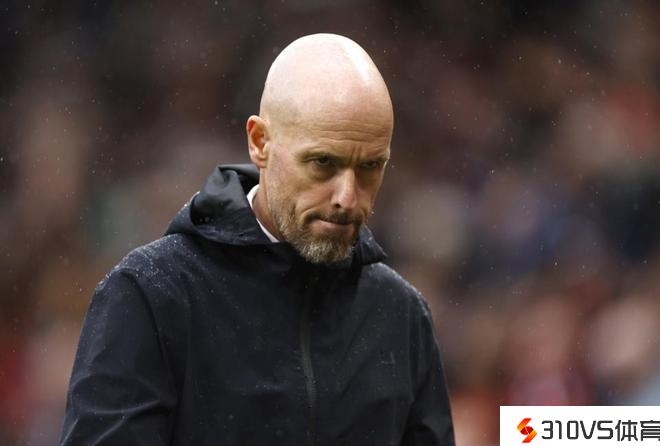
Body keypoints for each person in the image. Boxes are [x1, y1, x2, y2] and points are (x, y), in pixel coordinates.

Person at [60, 33, 455, 446]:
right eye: (323, 162)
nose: (347, 197)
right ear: (260, 142)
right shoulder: (151, 296)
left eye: (370, 166)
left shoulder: (402, 316)